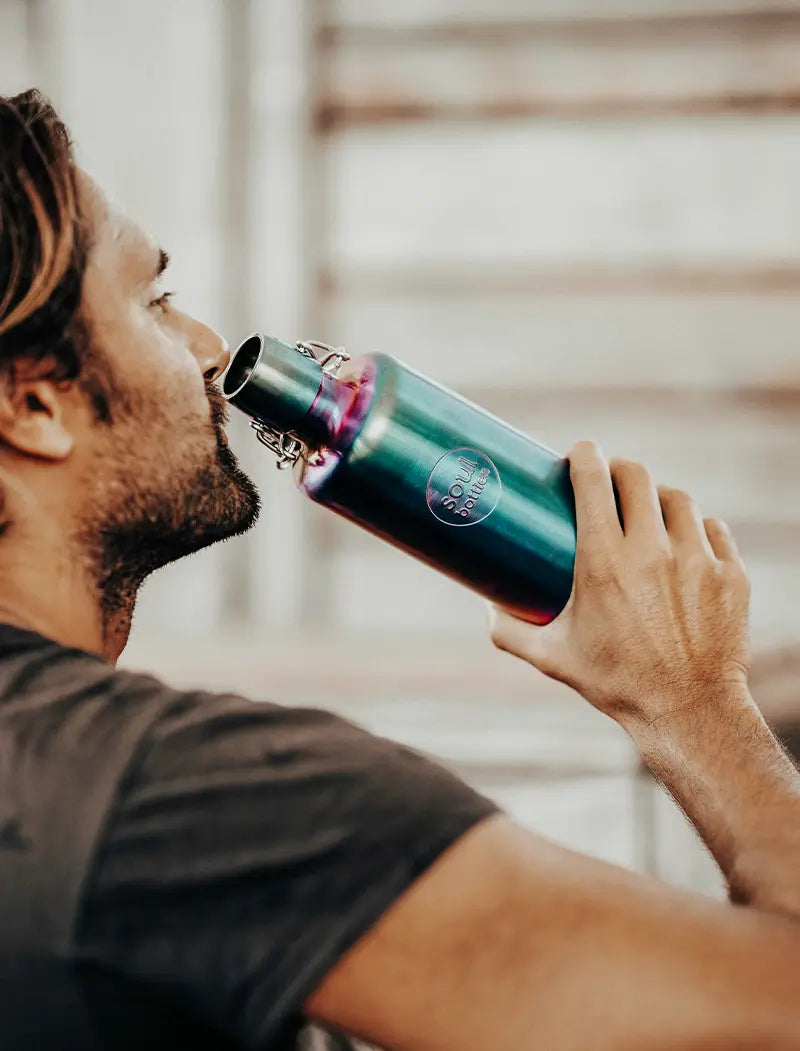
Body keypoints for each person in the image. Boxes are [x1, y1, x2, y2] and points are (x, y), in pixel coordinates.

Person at [0, 88, 798, 1051]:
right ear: (32, 403)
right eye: (153, 301)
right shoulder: (207, 810)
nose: (211, 349)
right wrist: (696, 705)